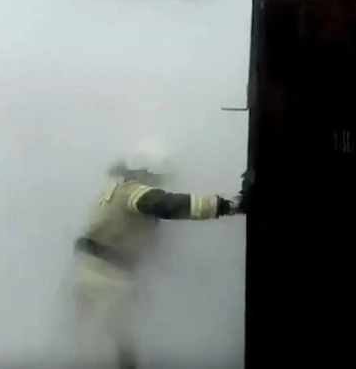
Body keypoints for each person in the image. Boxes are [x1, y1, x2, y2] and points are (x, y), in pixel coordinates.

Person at [71, 142, 245, 369]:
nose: (160, 185)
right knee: (110, 352)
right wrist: (225, 205)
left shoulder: (116, 190)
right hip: (105, 280)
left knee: (109, 348)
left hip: (96, 275)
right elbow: (167, 204)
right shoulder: (133, 191)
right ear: (146, 173)